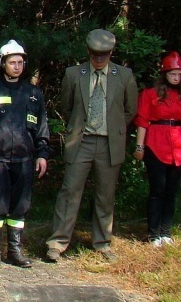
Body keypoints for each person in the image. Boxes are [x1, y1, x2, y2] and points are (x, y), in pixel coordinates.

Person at [46, 29, 138, 262]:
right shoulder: (74, 74)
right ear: (88, 52)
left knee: (106, 195)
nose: (99, 59)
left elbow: (130, 110)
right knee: (69, 192)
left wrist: (114, 128)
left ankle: (102, 243)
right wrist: (78, 127)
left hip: (109, 144)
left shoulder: (124, 76)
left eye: (104, 55)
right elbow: (66, 106)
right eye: (95, 54)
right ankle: (57, 243)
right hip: (82, 141)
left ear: (111, 52)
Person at [0, 40, 50, 268]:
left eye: (20, 62)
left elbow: (42, 126)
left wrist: (42, 154)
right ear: (2, 63)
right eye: (12, 62)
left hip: (24, 160)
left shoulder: (33, 94)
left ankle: (15, 250)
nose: (17, 66)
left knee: (20, 207)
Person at [133, 51, 181, 246]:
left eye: (179, 74)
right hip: (156, 144)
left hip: (180, 147)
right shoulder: (150, 94)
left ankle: (166, 232)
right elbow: (143, 121)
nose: (176, 78)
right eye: (172, 74)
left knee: (172, 191)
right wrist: (139, 146)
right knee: (157, 189)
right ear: (165, 74)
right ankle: (153, 234)